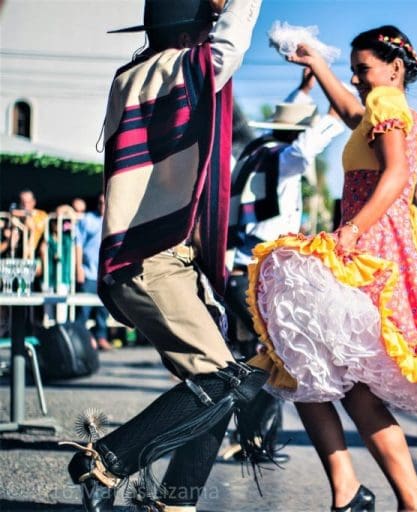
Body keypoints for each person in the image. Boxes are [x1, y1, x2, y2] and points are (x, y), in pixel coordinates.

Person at [247, 25, 417, 511]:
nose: (357, 79)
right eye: (354, 70)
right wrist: (319, 67)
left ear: (394, 68)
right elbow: (354, 113)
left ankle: (376, 496)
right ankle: (380, 498)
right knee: (321, 372)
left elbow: (395, 173)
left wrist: (351, 232)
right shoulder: (386, 107)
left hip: (369, 247)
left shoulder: (386, 103)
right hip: (379, 244)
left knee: (312, 366)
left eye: (363, 69)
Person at [61, 2, 268, 511]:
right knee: (223, 381)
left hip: (147, 259)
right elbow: (231, 43)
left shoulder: (129, 76)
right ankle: (104, 461)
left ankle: (176, 502)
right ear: (196, 28)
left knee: (215, 390)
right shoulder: (178, 70)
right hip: (152, 257)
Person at [223, 69, 344, 464]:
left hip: (241, 267)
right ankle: (255, 439)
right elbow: (308, 145)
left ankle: (255, 438)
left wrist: (305, 89)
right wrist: (334, 112)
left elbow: (296, 130)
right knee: (271, 356)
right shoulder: (286, 158)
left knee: (257, 354)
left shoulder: (259, 150)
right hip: (260, 271)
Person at [75, 194, 111, 351]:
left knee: (104, 309)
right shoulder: (88, 220)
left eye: (106, 202)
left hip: (106, 273)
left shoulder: (113, 220)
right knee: (84, 309)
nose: (103, 205)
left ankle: (101, 338)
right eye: (100, 202)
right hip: (89, 272)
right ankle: (81, 339)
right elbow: (78, 244)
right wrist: (79, 268)